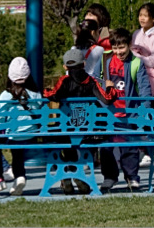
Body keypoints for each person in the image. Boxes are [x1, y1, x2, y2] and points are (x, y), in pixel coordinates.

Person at [44, 47, 117, 194]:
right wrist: (111, 88)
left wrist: (45, 90)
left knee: (62, 138)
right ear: (84, 64)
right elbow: (107, 99)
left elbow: (52, 95)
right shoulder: (91, 81)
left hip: (66, 130)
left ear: (65, 67)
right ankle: (78, 175)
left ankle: (70, 172)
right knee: (75, 138)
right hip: (89, 131)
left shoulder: (64, 81)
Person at [99, 27, 152, 193]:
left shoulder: (137, 63)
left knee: (130, 147)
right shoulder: (107, 62)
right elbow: (102, 84)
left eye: (121, 47)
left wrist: (143, 109)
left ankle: (132, 177)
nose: (118, 52)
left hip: (129, 112)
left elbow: (144, 88)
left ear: (129, 45)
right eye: (114, 48)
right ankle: (110, 177)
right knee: (106, 147)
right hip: (111, 112)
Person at [0, 57, 43, 196]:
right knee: (18, 150)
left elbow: (0, 119)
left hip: (14, 134)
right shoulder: (35, 93)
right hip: (32, 133)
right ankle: (19, 177)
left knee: (13, 149)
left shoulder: (5, 95)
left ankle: (7, 177)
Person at [130, 2, 154, 97]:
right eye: (140, 15)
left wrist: (135, 55)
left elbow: (153, 61)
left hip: (153, 81)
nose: (141, 18)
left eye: (145, 16)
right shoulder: (136, 33)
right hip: (136, 76)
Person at [75, 17, 104, 83]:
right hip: (92, 86)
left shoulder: (73, 49)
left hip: (76, 87)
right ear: (93, 32)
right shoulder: (99, 50)